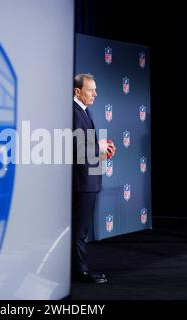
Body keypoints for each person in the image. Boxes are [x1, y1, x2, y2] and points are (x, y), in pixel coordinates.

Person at [72, 73, 116, 283]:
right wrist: (98, 146)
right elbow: (75, 146)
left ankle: (77, 269)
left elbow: (86, 146)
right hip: (81, 181)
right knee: (79, 231)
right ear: (77, 91)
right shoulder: (73, 112)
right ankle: (80, 272)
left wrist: (104, 150)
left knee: (81, 230)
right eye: (91, 90)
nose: (95, 94)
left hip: (89, 179)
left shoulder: (84, 111)